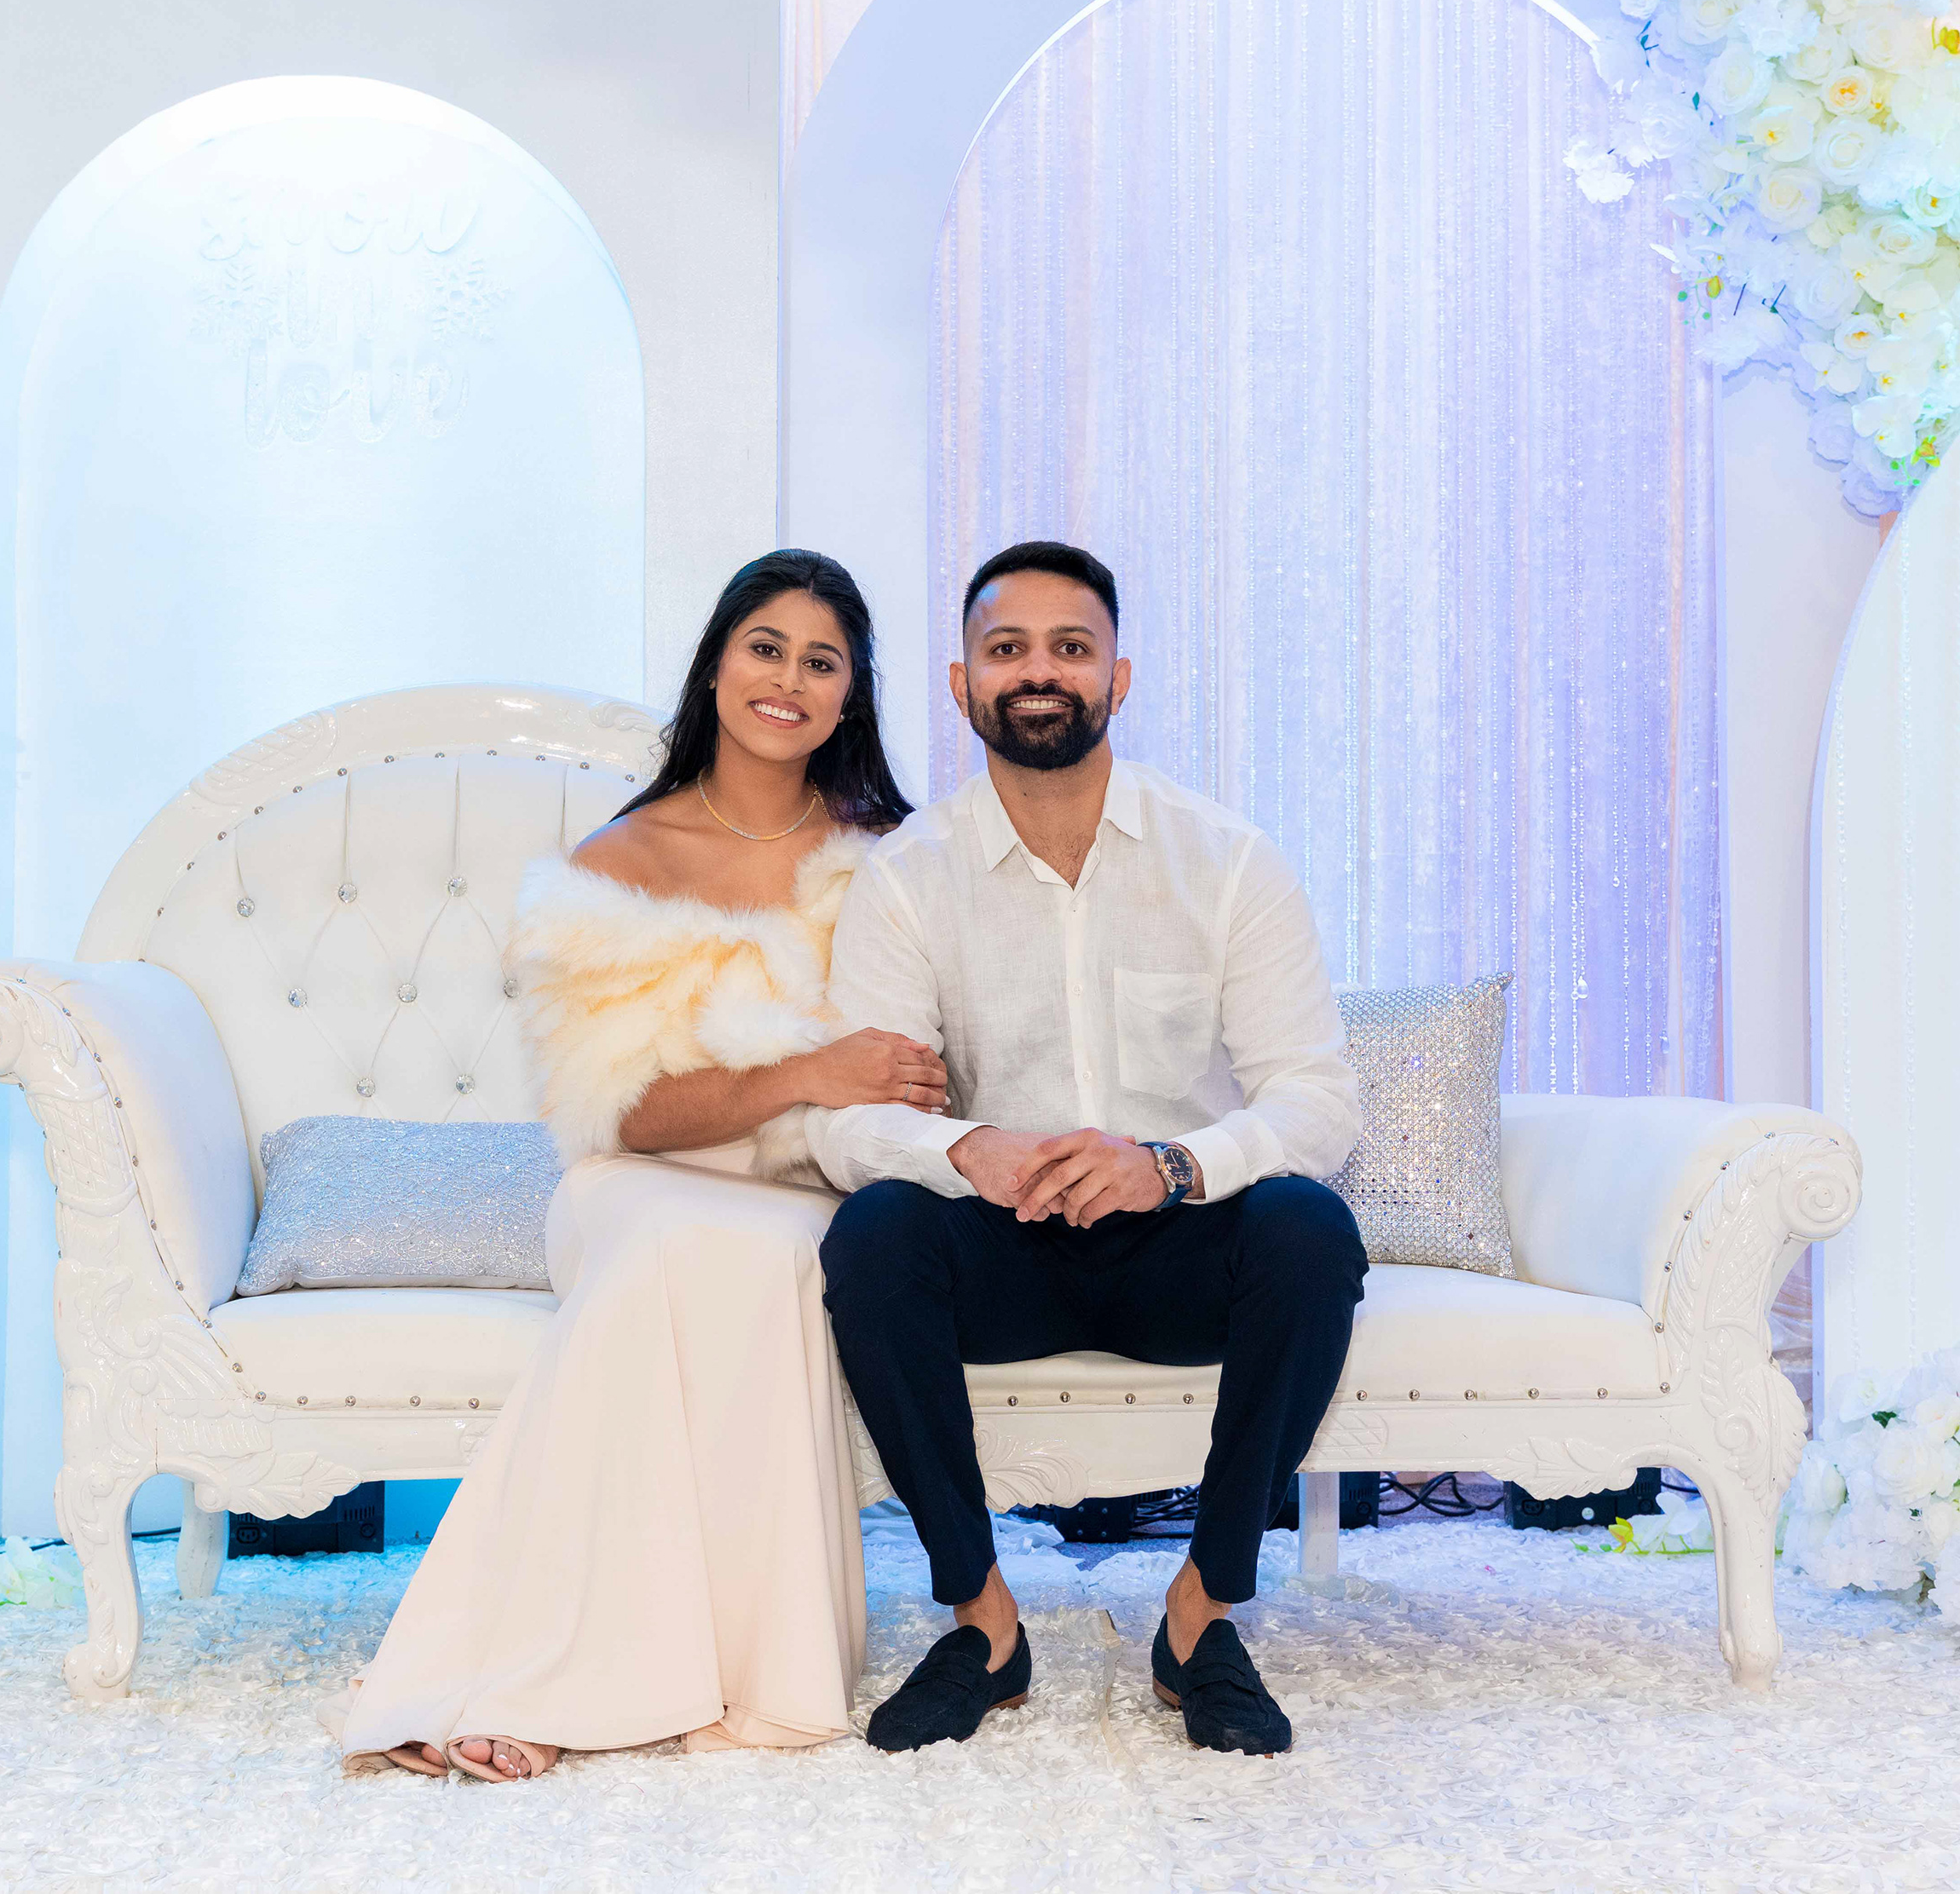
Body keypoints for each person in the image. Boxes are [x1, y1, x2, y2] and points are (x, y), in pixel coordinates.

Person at [320, 551, 944, 1781]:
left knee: (765, 1257)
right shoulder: (616, 864)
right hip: (635, 1186)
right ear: (716, 666)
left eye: (821, 662)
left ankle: (728, 1667)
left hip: (810, 1191)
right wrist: (810, 1070)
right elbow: (623, 1113)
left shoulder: (891, 862)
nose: (788, 680)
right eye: (765, 647)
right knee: (675, 1244)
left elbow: (930, 1064)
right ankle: (527, 1667)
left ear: (850, 697)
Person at [816, 539, 1368, 1758]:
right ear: (960, 684)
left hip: (1178, 1249)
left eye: (1071, 647)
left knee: (1309, 1230)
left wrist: (1168, 1166)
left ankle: (1201, 1616)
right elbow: (846, 1121)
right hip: (1001, 1250)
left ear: (1119, 678)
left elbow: (1319, 1099)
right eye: (1006, 648)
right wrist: (973, 1149)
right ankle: (983, 1624)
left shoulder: (1228, 859)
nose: (1039, 671)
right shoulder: (905, 880)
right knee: (874, 1233)